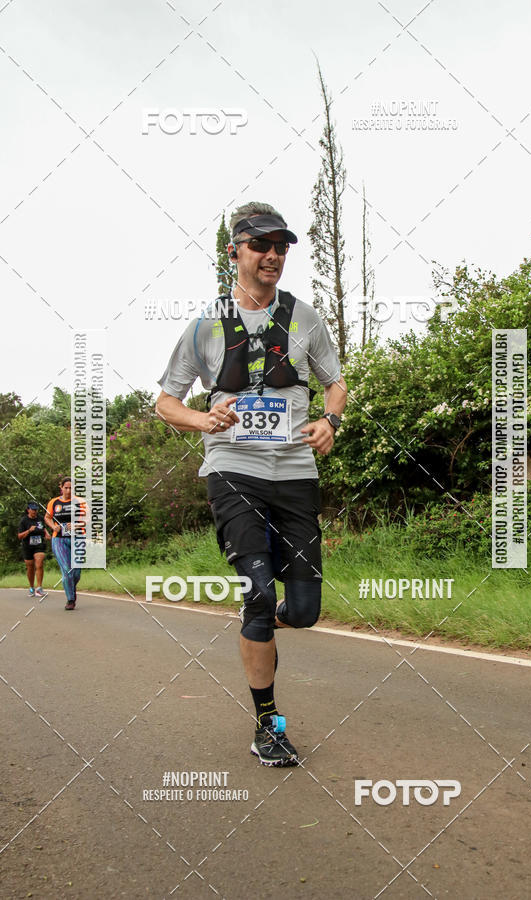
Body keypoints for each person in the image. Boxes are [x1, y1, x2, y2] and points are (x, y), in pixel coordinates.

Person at [156, 201, 347, 766]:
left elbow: (335, 384)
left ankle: (261, 619)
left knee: (304, 610)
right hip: (232, 468)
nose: (272, 255)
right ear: (234, 251)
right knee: (260, 594)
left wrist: (330, 421)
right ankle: (268, 723)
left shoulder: (306, 318)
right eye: (260, 244)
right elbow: (166, 401)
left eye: (280, 246)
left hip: (294, 472)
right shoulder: (205, 325)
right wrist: (202, 419)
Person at [45, 477, 83, 611]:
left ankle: (70, 586)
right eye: (66, 488)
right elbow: (47, 517)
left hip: (77, 539)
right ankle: (70, 599)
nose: (68, 490)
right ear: (61, 488)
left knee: (76, 573)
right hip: (59, 539)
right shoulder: (54, 502)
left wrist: (76, 525)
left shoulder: (80, 502)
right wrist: (53, 526)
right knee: (67, 569)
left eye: (71, 488)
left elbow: (88, 519)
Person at [17, 501, 51, 597]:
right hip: (27, 546)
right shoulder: (24, 521)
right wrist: (29, 531)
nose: (34, 511)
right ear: (28, 510)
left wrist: (47, 534)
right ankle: (31, 587)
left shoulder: (40, 518)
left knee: (39, 564)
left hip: (39, 545)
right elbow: (19, 536)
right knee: (30, 567)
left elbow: (43, 528)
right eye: (33, 510)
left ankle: (39, 588)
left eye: (36, 510)